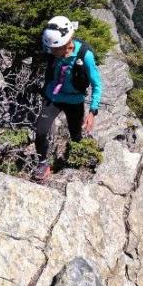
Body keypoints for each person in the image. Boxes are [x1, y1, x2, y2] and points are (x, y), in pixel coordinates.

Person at [34, 16, 103, 180]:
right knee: (40, 131)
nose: (50, 51)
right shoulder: (53, 50)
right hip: (53, 97)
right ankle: (43, 163)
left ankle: (75, 159)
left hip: (75, 101)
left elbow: (97, 84)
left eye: (54, 49)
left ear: (66, 44)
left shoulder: (85, 56)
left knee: (76, 135)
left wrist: (92, 112)